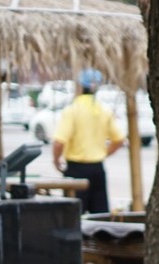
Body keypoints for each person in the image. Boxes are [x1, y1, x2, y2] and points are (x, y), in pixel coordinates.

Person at [52, 69, 125, 214]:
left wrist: (56, 160)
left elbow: (59, 142)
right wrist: (104, 153)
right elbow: (119, 139)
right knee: (99, 216)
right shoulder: (104, 110)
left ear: (80, 86)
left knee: (73, 216)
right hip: (97, 169)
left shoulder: (72, 110)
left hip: (75, 169)